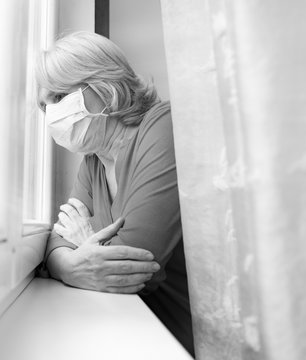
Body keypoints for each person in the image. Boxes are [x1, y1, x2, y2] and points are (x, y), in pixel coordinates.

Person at [35, 31, 194, 357]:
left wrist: (81, 242)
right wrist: (68, 265)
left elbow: (136, 267)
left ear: (104, 87)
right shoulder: (92, 162)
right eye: (43, 106)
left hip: (193, 338)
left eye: (58, 96)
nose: (50, 114)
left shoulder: (163, 126)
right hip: (144, 336)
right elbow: (57, 241)